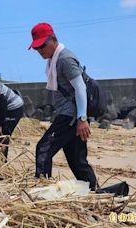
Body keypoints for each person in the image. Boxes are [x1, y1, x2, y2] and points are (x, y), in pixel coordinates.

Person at [29, 23, 97, 189]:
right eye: (37, 48)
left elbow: (80, 87)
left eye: (42, 46)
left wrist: (82, 118)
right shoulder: (54, 60)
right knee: (77, 160)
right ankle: (96, 193)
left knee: (44, 148)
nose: (40, 51)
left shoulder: (65, 59)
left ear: (54, 39)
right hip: (72, 115)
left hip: (71, 116)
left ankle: (42, 189)